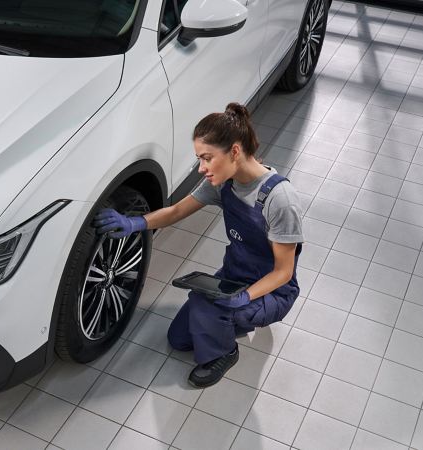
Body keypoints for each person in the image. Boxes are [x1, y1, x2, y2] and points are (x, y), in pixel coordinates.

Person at [93, 102, 303, 388]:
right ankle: (230, 319)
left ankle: (225, 352)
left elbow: (283, 273)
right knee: (179, 339)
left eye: (207, 158)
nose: (201, 168)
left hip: (272, 291)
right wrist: (135, 223)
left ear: (235, 151)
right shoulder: (223, 183)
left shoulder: (279, 199)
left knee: (205, 307)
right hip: (233, 278)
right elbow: (177, 211)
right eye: (199, 159)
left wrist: (246, 296)